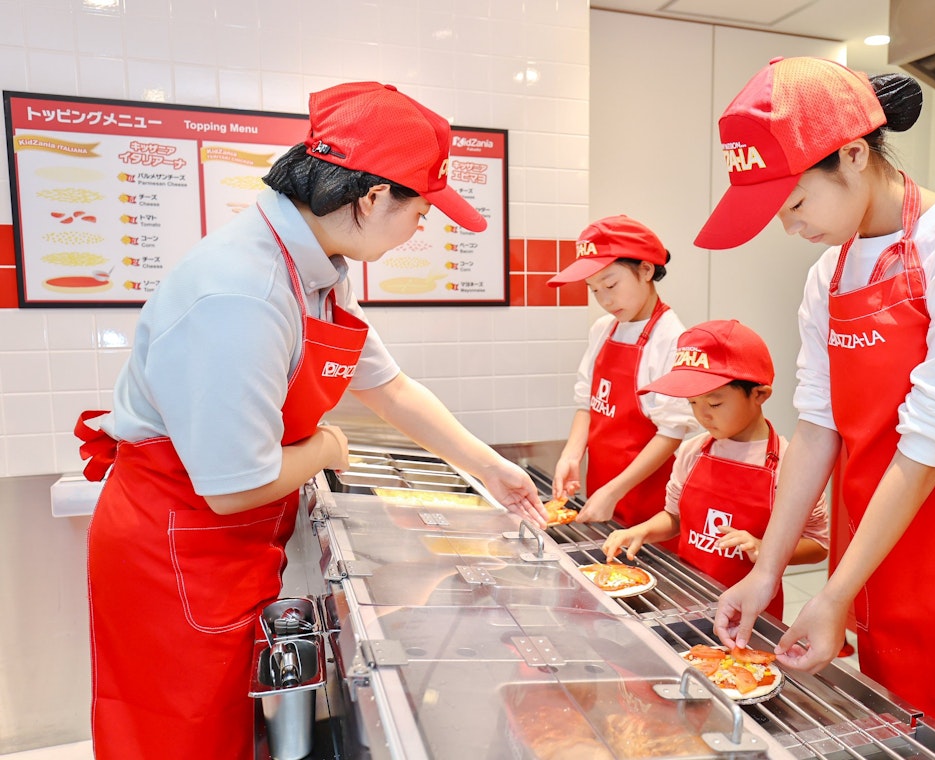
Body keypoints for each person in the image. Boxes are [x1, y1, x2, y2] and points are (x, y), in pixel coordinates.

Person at [73, 82, 546, 759]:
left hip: (228, 542)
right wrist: (325, 445)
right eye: (423, 209)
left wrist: (491, 471)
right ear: (373, 197)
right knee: (179, 735)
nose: (425, 225)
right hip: (175, 547)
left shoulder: (318, 266)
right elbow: (233, 485)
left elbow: (388, 385)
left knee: (230, 731)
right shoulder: (241, 291)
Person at [698, 58, 935, 759]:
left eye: (793, 205)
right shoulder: (831, 272)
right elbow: (817, 425)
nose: (789, 228)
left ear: (853, 155)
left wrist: (837, 591)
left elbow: (930, 441)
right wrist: (769, 570)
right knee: (902, 730)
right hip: (891, 548)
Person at [601, 319, 828, 620]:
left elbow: (819, 545)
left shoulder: (791, 464)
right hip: (686, 598)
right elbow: (675, 518)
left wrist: (764, 550)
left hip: (751, 614)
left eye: (715, 403)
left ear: (759, 394)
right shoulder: (691, 451)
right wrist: (641, 531)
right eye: (693, 403)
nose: (703, 415)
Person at [548, 215, 698, 526]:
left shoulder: (672, 339)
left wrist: (614, 491)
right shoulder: (604, 330)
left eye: (611, 284)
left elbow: (671, 433)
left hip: (649, 505)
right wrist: (571, 456)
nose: (604, 299)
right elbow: (586, 404)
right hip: (603, 492)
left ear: (646, 269)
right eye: (593, 290)